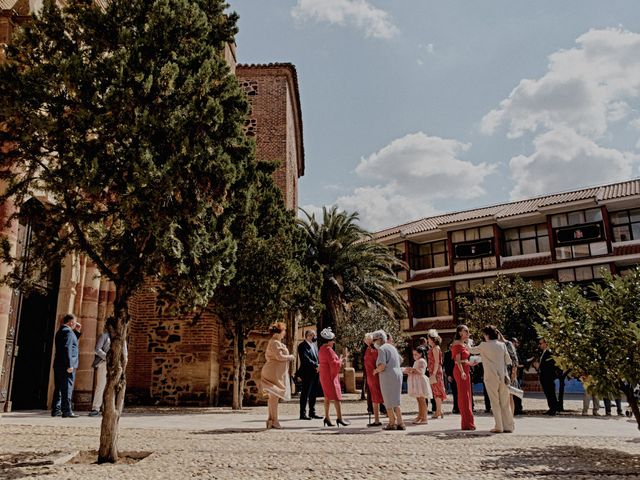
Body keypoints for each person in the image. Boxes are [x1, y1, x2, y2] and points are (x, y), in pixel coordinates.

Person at [468, 325, 515, 433]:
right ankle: (509, 426)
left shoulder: (484, 345)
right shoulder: (502, 345)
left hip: (491, 377)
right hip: (503, 376)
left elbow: (471, 351)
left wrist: (469, 343)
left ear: (487, 335)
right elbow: (508, 361)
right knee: (505, 402)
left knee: (495, 402)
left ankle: (499, 426)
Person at [260, 322, 295, 429]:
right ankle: (274, 420)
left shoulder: (276, 342)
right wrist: (290, 357)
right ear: (280, 332)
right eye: (284, 331)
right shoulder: (274, 343)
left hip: (275, 372)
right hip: (272, 372)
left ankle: (271, 420)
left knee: (273, 398)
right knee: (274, 397)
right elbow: (279, 357)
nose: (284, 333)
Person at [372, 330, 405, 430]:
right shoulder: (392, 347)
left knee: (388, 399)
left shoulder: (382, 349)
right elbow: (400, 360)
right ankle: (400, 422)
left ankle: (392, 422)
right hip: (398, 374)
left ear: (380, 339)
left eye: (375, 340)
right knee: (396, 399)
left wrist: (375, 371)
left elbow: (382, 365)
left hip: (388, 376)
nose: (374, 342)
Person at [318, 327, 350, 426]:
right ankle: (339, 418)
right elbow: (334, 364)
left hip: (324, 375)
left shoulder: (321, 349)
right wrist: (341, 360)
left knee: (327, 397)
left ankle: (327, 417)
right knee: (337, 397)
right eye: (332, 340)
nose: (333, 342)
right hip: (330, 377)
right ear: (328, 341)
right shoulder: (329, 350)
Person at [51, 313, 81, 418]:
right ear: (71, 322)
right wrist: (69, 365)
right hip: (66, 365)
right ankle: (67, 411)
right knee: (67, 388)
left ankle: (56, 410)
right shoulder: (68, 332)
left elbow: (71, 343)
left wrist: (77, 331)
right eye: (74, 322)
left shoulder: (61, 331)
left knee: (58, 387)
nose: (75, 323)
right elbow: (67, 348)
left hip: (59, 364)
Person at [451, 325, 475, 430]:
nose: (468, 333)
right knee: (464, 397)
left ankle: (468, 423)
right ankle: (467, 423)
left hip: (466, 370)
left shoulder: (464, 344)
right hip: (461, 372)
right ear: (460, 332)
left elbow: (463, 360)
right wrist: (462, 372)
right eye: (466, 331)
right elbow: (457, 361)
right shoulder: (457, 344)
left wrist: (470, 363)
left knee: (467, 396)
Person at [297, 330, 321, 420]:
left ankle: (312, 412)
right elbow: (305, 359)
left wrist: (319, 365)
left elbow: (317, 357)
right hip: (307, 373)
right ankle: (302, 414)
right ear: (306, 336)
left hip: (315, 372)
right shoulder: (302, 346)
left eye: (314, 335)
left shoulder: (314, 345)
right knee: (305, 393)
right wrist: (316, 365)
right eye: (310, 335)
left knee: (313, 393)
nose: (312, 336)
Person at [404, 348, 432, 424]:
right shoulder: (417, 361)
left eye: (416, 354)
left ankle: (425, 418)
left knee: (422, 400)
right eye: (413, 354)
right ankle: (420, 415)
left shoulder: (422, 361)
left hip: (420, 381)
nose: (414, 356)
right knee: (419, 400)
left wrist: (412, 369)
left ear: (420, 354)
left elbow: (421, 372)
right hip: (416, 381)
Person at [89, 328, 111, 417]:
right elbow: (98, 349)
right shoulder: (104, 336)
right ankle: (96, 408)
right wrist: (108, 358)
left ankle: (109, 407)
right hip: (104, 363)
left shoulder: (121, 338)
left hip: (116, 365)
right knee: (101, 385)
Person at [363, 332, 384, 427]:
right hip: (370, 376)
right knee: (374, 398)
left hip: (375, 375)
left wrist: (376, 371)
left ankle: (380, 419)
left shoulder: (375, 350)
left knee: (378, 397)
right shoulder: (368, 349)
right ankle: (376, 419)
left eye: (366, 339)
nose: (365, 340)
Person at [427, 329, 446, 419]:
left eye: (429, 339)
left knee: (437, 391)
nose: (428, 341)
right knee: (436, 391)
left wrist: (433, 373)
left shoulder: (435, 349)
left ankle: (438, 411)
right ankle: (439, 410)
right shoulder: (435, 348)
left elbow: (437, 362)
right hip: (435, 371)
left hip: (435, 372)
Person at [537, 337, 559, 416]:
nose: (539, 345)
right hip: (544, 376)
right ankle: (551, 408)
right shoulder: (544, 352)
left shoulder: (549, 352)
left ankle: (554, 409)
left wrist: (551, 374)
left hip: (548, 376)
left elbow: (552, 365)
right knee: (548, 393)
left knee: (551, 393)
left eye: (541, 343)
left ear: (546, 344)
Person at [443, 341, 459, 414]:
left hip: (459, 373)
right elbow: (446, 365)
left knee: (460, 392)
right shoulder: (447, 354)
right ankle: (455, 407)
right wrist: (448, 375)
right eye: (450, 346)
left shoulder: (458, 352)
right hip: (452, 375)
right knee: (455, 392)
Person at [510, 337, 524, 415]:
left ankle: (518, 408)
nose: (517, 344)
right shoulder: (510, 352)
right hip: (513, 375)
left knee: (517, 393)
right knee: (514, 393)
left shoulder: (517, 352)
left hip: (517, 375)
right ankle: (516, 409)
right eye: (515, 342)